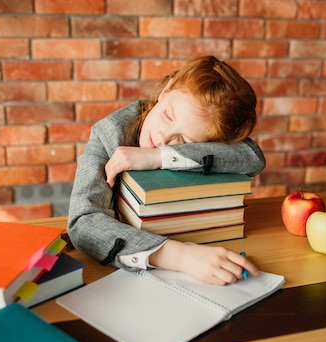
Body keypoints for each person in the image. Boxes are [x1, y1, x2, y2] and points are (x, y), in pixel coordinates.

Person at [67, 56, 266, 285]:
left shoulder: (172, 143)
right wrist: (182, 257)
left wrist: (158, 156)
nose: (162, 137)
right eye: (168, 116)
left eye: (184, 140)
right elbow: (83, 222)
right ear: (166, 91)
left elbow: (252, 156)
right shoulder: (110, 134)